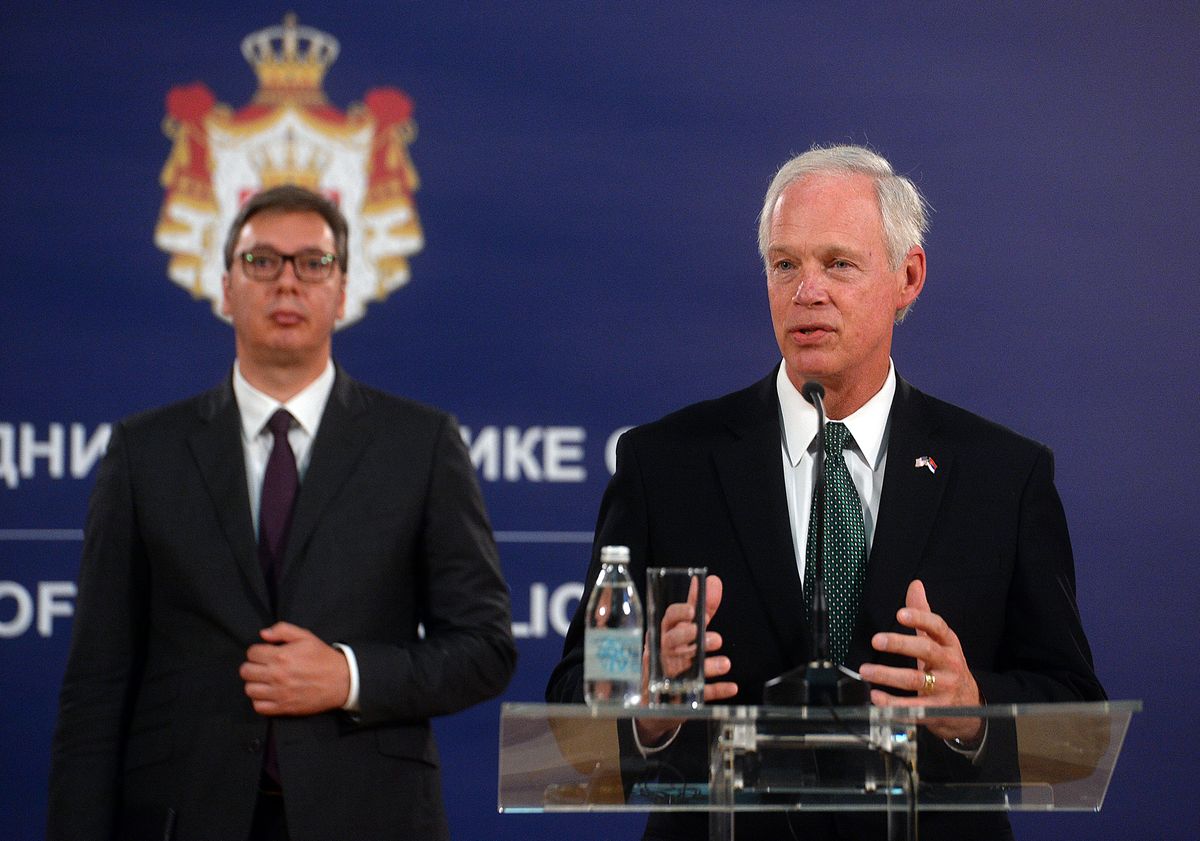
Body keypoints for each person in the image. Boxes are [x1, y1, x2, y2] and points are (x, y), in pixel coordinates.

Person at [546, 145, 1104, 840]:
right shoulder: (665, 464)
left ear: (908, 276)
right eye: (786, 265)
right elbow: (573, 709)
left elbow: (1076, 722)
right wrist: (642, 709)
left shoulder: (1001, 475)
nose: (807, 291)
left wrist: (972, 706)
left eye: (838, 263)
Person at [49, 185, 517, 841]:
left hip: (368, 816)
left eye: (312, 263)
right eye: (262, 261)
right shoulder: (144, 451)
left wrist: (347, 675)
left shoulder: (421, 444)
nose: (287, 283)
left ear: (344, 291)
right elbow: (97, 682)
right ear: (225, 288)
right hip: (185, 815)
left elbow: (485, 647)